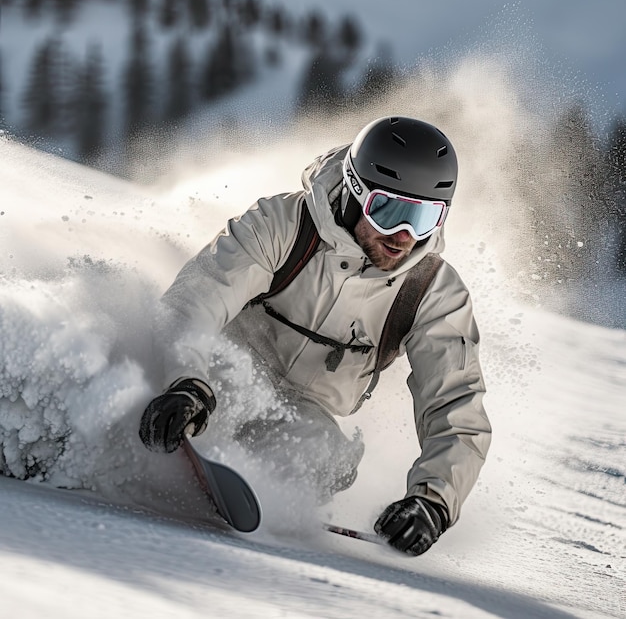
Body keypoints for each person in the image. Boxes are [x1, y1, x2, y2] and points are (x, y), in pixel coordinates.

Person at [139, 116, 492, 556]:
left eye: (424, 218)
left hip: (304, 413)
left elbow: (455, 401)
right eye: (390, 211)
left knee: (327, 455)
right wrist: (185, 378)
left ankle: (253, 489)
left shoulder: (432, 291)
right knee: (192, 387)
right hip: (220, 373)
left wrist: (434, 500)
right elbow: (197, 299)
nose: (405, 237)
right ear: (355, 190)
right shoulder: (282, 225)